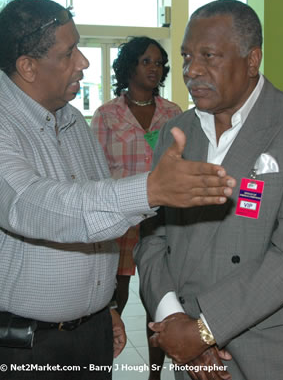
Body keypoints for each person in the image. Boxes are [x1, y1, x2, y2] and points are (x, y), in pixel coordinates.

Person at [0, 0, 236, 380]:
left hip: (88, 335)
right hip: (14, 348)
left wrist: (100, 304)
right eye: (68, 53)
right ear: (28, 67)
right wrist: (149, 191)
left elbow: (91, 209)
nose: (83, 62)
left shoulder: (72, 120)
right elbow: (34, 207)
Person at [135, 0, 283, 380]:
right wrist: (173, 319)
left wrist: (203, 330)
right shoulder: (176, 132)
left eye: (209, 56)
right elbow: (151, 237)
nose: (191, 70)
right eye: (185, 56)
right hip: (190, 353)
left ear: (252, 60)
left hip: (271, 348)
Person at [91, 36, 182, 380]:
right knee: (114, 298)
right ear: (128, 66)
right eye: (146, 61)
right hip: (118, 222)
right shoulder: (106, 116)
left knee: (158, 298)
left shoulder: (174, 114)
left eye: (158, 62)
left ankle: (155, 375)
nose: (154, 68)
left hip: (161, 222)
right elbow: (93, 172)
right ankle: (104, 369)